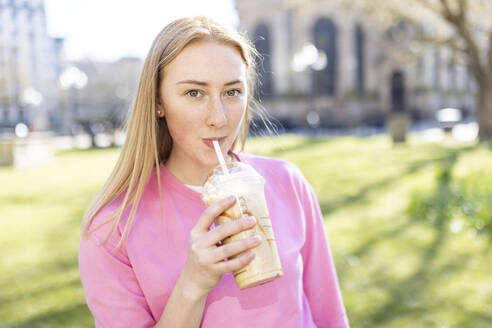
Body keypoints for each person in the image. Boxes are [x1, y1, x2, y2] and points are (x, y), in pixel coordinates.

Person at [78, 16, 349, 328]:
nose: (218, 118)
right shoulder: (110, 229)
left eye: (232, 92)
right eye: (195, 93)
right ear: (157, 101)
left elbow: (331, 317)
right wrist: (192, 286)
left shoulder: (287, 182)